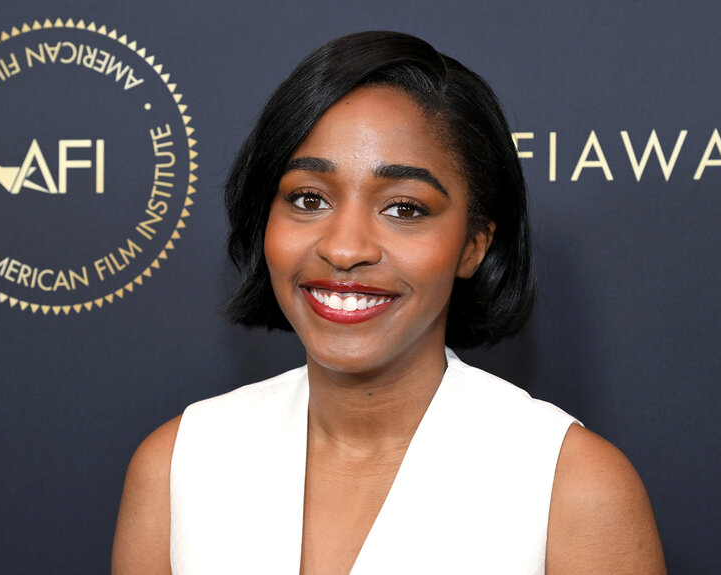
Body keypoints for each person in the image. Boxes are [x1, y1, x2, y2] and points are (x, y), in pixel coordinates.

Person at [112, 31, 666, 574]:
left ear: (474, 245)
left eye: (404, 208)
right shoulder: (178, 465)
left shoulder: (571, 488)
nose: (345, 248)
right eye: (308, 198)